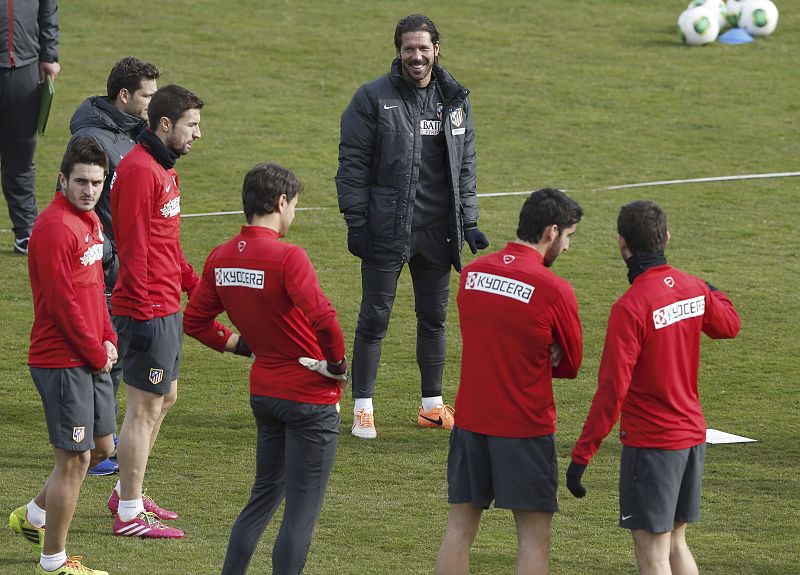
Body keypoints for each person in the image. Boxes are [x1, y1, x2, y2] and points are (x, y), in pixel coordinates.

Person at [184, 162, 348, 575]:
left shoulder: (221, 257)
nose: (293, 213)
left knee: (262, 498)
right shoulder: (287, 256)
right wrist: (337, 365)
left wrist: (243, 347)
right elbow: (325, 318)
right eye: (293, 205)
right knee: (301, 510)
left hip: (265, 394)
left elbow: (195, 322)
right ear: (280, 202)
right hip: (310, 398)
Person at [566, 200, 741, 575]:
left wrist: (582, 455)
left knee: (653, 556)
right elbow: (729, 325)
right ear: (666, 238)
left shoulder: (630, 307)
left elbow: (612, 390)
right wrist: (708, 288)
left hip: (652, 446)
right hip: (691, 439)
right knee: (676, 544)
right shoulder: (693, 289)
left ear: (621, 244)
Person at [335, 13, 489, 439]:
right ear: (398, 51)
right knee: (374, 319)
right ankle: (363, 407)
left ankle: (432, 406)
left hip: (438, 231)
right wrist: (356, 223)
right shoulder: (371, 98)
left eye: (423, 48)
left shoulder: (454, 98)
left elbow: (466, 164)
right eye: (409, 49)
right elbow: (352, 167)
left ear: (437, 48)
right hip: (387, 229)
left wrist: (469, 220)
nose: (416, 56)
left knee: (434, 319)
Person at [435, 188, 584, 575]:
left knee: (458, 531)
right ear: (551, 232)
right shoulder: (554, 290)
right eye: (568, 236)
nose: (567, 247)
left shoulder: (472, 274)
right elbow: (570, 365)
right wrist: (544, 352)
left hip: (470, 422)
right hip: (525, 428)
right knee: (534, 540)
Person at [9, 138, 114, 575]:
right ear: (62, 180)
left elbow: (93, 289)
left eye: (96, 182)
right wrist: (95, 350)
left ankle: (33, 515)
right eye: (81, 182)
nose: (89, 190)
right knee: (74, 460)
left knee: (104, 446)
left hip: (91, 353)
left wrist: (108, 335)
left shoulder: (91, 221)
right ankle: (53, 561)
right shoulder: (54, 228)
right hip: (61, 359)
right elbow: (60, 303)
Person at [108, 84, 203, 539]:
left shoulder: (164, 169)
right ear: (165, 124)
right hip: (147, 307)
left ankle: (129, 489)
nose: (198, 135)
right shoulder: (141, 171)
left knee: (165, 399)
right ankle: (128, 513)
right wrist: (145, 312)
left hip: (167, 303)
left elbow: (167, 243)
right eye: (192, 125)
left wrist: (193, 284)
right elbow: (134, 248)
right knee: (144, 408)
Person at [62, 56, 160, 476]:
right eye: (147, 96)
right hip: (101, 267)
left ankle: (100, 436)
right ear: (124, 96)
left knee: (113, 355)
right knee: (95, 356)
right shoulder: (92, 140)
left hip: (122, 263)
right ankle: (89, 441)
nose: (153, 105)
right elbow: (74, 205)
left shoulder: (133, 131)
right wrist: (110, 257)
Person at [0, 0, 60, 255]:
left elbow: (47, 8)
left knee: (22, 156)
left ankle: (26, 233)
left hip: (23, 69)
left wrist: (49, 55)